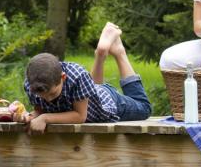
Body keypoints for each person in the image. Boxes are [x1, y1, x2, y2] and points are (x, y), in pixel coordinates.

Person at [23, 22, 152, 133]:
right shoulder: (33, 83)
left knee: (144, 108)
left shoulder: (77, 76)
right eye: (43, 96)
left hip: (108, 103)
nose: (48, 100)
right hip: (90, 98)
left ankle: (119, 53)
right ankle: (101, 53)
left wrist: (45, 118)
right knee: (91, 93)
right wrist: (27, 116)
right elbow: (40, 110)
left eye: (52, 94)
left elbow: (80, 116)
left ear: (63, 77)